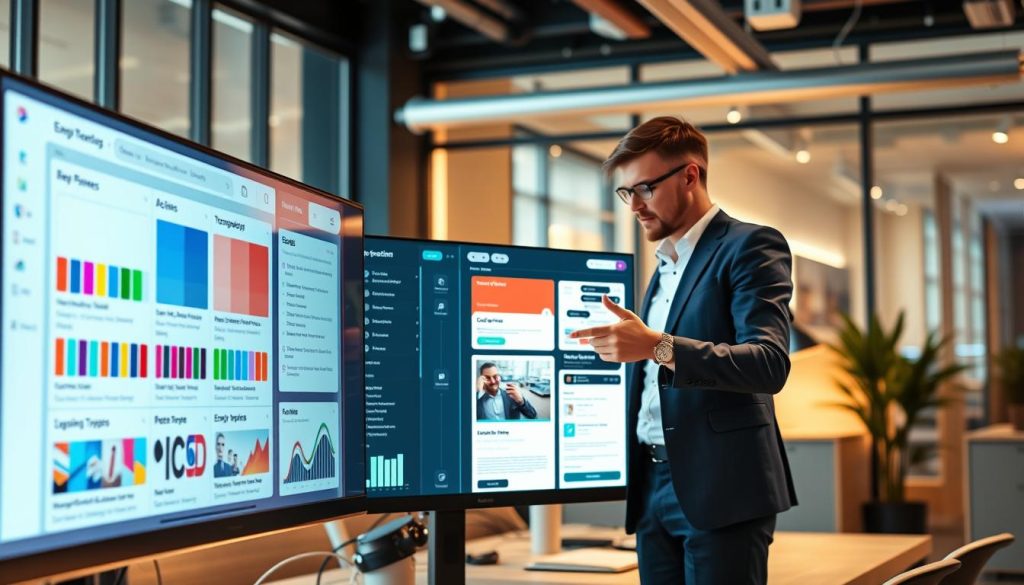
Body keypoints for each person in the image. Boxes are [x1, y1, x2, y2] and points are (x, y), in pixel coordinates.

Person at [571, 117, 797, 585]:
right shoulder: (665, 263)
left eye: (645, 188)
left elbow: (769, 363)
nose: (633, 205)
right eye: (626, 193)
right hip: (652, 483)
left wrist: (657, 344)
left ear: (690, 176)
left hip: (722, 487)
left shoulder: (750, 246)